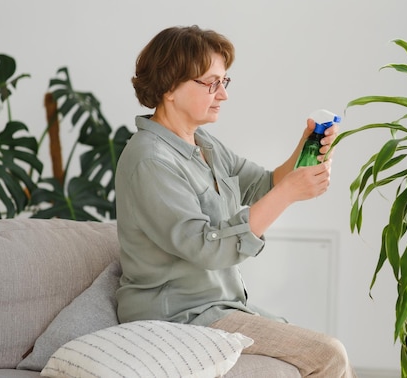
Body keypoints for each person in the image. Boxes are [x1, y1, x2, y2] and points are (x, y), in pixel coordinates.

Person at [114, 25, 356, 377]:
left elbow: (261, 183)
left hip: (218, 308)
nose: (222, 95)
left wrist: (306, 148)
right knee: (327, 353)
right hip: (178, 317)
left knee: (306, 344)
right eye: (210, 83)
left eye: (224, 82)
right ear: (170, 87)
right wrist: (288, 194)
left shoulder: (203, 144)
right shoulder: (151, 161)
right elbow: (207, 247)